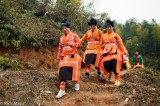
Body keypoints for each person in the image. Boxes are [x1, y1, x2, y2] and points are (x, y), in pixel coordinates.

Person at [56, 19, 83, 98]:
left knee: (73, 70)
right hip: (64, 56)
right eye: (63, 28)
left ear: (69, 28)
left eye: (65, 27)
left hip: (72, 55)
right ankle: (62, 89)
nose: (64, 29)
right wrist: (59, 57)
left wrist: (73, 44)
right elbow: (60, 48)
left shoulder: (74, 35)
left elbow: (79, 43)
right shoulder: (61, 38)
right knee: (62, 70)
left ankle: (76, 82)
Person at [100, 19, 128, 86]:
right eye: (107, 27)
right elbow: (100, 45)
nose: (108, 28)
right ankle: (110, 72)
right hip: (106, 52)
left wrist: (124, 51)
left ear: (112, 27)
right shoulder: (103, 36)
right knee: (104, 63)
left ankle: (117, 79)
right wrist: (102, 48)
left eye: (110, 27)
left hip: (115, 52)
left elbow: (121, 44)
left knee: (115, 63)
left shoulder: (116, 35)